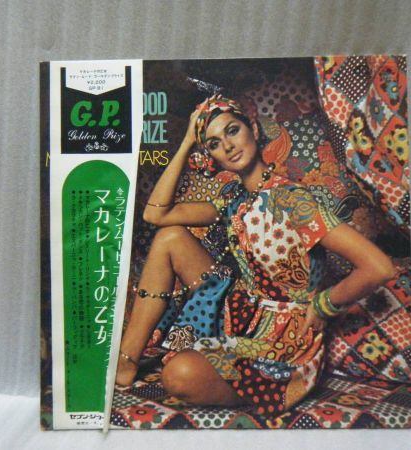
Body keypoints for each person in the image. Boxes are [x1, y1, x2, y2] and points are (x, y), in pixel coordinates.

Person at [116, 95, 396, 416]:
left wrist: (324, 304)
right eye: (214, 144)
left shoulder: (293, 200)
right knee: (170, 237)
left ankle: (260, 386)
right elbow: (156, 215)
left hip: (283, 341)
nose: (228, 146)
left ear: (253, 128)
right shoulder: (234, 199)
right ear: (209, 155)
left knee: (179, 375)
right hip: (240, 313)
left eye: (233, 131)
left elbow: (378, 267)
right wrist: (185, 144)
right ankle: (126, 360)